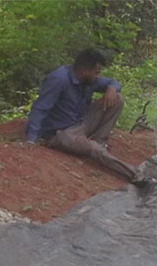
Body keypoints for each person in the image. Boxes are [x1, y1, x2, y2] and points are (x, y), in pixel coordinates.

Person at [25, 48, 140, 182]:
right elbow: (40, 108)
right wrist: (31, 139)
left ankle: (99, 141)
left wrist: (112, 88)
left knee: (117, 98)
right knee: (94, 149)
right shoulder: (59, 79)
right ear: (84, 70)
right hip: (61, 132)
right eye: (96, 72)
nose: (98, 76)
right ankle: (135, 174)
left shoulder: (88, 79)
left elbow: (112, 82)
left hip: (80, 122)